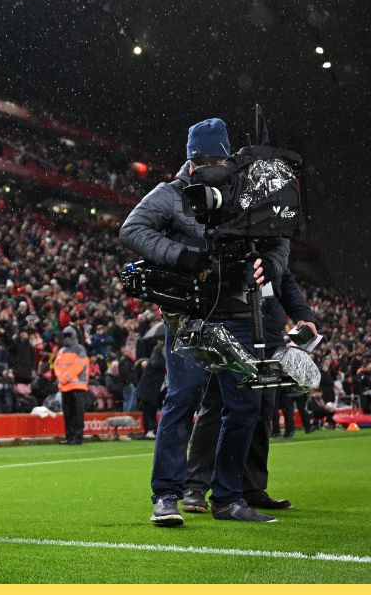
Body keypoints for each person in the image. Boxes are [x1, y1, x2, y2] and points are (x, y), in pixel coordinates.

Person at [119, 117, 290, 525]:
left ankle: (228, 498)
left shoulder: (248, 190)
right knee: (183, 399)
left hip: (240, 308)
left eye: (217, 159)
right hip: (191, 312)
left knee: (245, 404)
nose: (210, 167)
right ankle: (166, 496)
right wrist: (182, 257)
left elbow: (280, 234)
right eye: (203, 160)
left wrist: (270, 263)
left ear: (229, 159)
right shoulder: (171, 193)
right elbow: (132, 229)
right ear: (189, 161)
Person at [182, 269, 318, 514]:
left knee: (261, 410)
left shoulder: (273, 247)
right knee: (217, 405)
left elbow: (284, 280)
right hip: (232, 329)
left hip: (268, 335)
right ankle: (195, 486)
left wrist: (303, 315)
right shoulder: (235, 238)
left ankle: (251, 487)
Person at [54, 326, 90, 445]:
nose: (66, 339)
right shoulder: (61, 351)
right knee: (68, 414)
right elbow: (56, 365)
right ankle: (69, 437)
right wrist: (62, 378)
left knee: (77, 414)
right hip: (65, 387)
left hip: (78, 387)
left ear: (74, 336)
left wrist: (63, 378)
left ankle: (77, 438)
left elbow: (78, 366)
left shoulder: (80, 349)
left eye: (68, 336)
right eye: (65, 336)